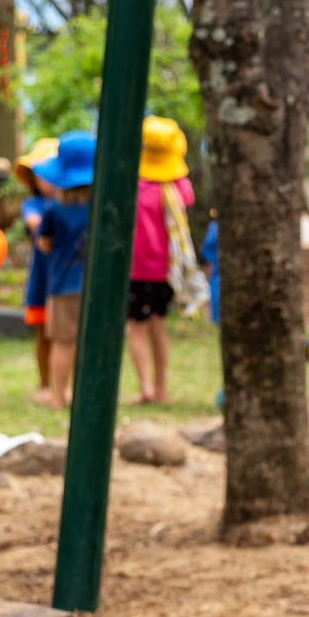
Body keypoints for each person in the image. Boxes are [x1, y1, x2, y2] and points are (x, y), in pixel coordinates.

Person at [127, 116, 195, 403]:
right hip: (166, 271)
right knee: (158, 326)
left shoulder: (133, 187)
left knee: (136, 328)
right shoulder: (178, 187)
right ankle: (162, 387)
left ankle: (146, 388)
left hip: (136, 270)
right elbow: (187, 201)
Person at [31, 130, 95, 409]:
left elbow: (44, 244)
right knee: (88, 345)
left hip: (62, 286)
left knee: (62, 343)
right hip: (94, 287)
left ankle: (59, 396)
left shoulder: (54, 210)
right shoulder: (101, 208)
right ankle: (86, 396)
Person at [14, 138, 59, 394]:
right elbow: (34, 223)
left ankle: (63, 383)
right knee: (43, 332)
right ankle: (44, 384)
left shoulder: (69, 204)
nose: (48, 182)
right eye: (43, 176)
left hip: (67, 279)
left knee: (66, 336)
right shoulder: (33, 205)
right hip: (43, 278)